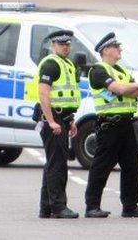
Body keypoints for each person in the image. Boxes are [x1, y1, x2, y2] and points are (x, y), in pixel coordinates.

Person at [84, 32, 138, 218]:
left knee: (131, 167)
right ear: (106, 50)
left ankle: (130, 206)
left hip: (126, 124)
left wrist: (127, 88)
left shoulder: (122, 71)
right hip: (109, 125)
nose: (120, 49)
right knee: (101, 167)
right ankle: (92, 206)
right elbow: (120, 89)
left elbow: (137, 93)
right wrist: (130, 87)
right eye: (116, 46)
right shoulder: (98, 71)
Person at [25, 29, 82, 219]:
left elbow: (65, 97)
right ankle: (58, 206)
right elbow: (43, 94)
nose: (66, 47)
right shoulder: (51, 64)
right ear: (53, 45)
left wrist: (70, 120)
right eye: (61, 44)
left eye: (68, 44)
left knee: (53, 163)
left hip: (61, 117)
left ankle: (47, 207)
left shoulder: (66, 64)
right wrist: (50, 121)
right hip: (52, 118)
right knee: (57, 165)